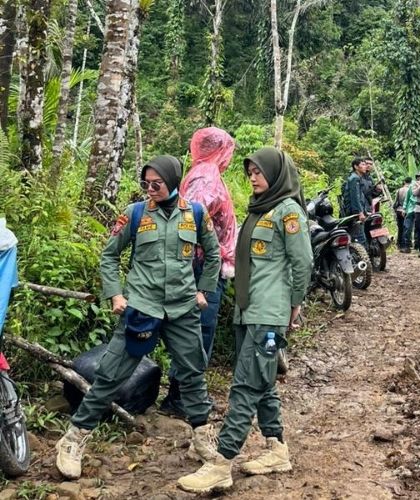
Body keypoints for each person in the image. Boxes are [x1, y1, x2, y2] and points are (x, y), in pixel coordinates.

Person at [56, 156, 220, 480]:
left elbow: (213, 254)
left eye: (156, 183)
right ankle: (72, 439)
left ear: (173, 180)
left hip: (182, 308)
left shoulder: (196, 214)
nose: (150, 189)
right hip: (142, 308)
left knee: (192, 375)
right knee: (110, 376)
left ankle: (203, 440)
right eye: (146, 183)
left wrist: (204, 290)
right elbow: (109, 255)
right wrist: (116, 294)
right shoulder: (135, 214)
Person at [177, 147, 313, 493]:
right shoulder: (260, 208)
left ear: (277, 174)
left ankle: (222, 464)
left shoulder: (287, 211)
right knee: (262, 380)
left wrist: (294, 304)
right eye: (249, 172)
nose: (253, 177)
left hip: (268, 312)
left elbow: (303, 263)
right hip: (247, 309)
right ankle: (276, 449)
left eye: (258, 172)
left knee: (246, 384)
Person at [160, 127, 237, 418]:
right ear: (220, 149)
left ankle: (183, 396)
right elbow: (189, 225)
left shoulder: (202, 173)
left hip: (202, 264)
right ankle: (183, 400)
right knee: (197, 331)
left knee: (194, 331)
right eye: (228, 150)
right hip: (200, 267)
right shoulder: (206, 178)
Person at [343, 157, 367, 244]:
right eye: (363, 164)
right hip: (355, 213)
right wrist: (360, 212)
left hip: (357, 211)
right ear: (356, 167)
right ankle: (362, 257)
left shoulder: (356, 178)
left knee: (359, 235)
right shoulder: (354, 178)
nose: (365, 166)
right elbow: (355, 197)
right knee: (360, 238)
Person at [400, 173, 420, 253]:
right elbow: (407, 198)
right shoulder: (411, 187)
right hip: (411, 209)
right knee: (407, 228)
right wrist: (404, 209)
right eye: (418, 178)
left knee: (418, 228)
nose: (419, 180)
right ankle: (406, 246)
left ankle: (417, 245)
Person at [393, 177, 411, 249]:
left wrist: (395, 209)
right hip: (407, 210)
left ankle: (399, 243)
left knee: (400, 228)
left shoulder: (399, 190)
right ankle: (404, 244)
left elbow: (396, 202)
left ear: (404, 181)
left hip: (399, 210)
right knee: (406, 227)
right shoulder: (411, 190)